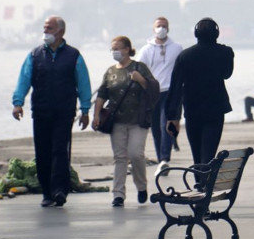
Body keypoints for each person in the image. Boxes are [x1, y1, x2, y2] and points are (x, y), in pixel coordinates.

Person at [12, 16, 92, 208]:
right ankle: (47, 192)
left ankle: (60, 190)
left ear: (60, 32)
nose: (46, 31)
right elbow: (24, 80)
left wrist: (85, 109)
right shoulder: (35, 55)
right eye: (45, 27)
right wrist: (18, 102)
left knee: (60, 151)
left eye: (50, 28)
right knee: (43, 152)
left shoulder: (74, 56)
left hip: (64, 112)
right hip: (41, 111)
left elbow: (83, 83)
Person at [92, 36, 159, 207]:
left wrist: (140, 79)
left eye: (119, 48)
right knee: (120, 157)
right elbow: (102, 94)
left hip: (138, 120)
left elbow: (154, 90)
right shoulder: (110, 72)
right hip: (117, 121)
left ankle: (141, 186)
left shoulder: (139, 67)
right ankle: (118, 194)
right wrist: (96, 115)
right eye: (113, 48)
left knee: (136, 154)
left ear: (128, 49)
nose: (115, 51)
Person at [166, 17, 235, 168]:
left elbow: (175, 86)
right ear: (216, 34)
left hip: (192, 109)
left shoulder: (185, 56)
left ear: (196, 34)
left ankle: (199, 184)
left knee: (196, 154)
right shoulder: (225, 52)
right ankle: (205, 184)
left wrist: (172, 116)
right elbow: (226, 74)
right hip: (215, 109)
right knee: (209, 154)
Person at [138, 16, 183, 176]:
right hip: (152, 92)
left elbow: (181, 70)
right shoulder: (146, 50)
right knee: (156, 127)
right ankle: (160, 160)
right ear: (153, 29)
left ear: (168, 28)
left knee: (167, 125)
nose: (161, 28)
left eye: (164, 26)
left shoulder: (177, 48)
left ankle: (165, 158)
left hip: (171, 93)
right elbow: (139, 71)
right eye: (158, 26)